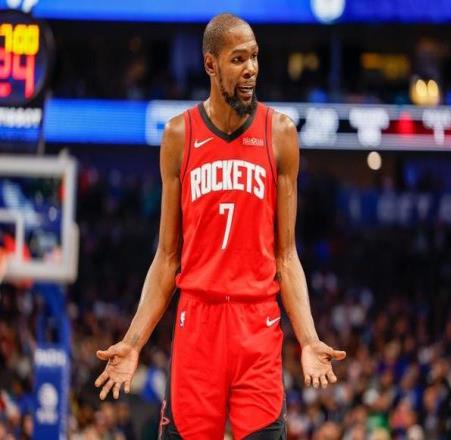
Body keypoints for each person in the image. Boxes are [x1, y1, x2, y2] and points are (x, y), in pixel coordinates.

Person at [95, 13, 346, 439]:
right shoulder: (180, 135)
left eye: (255, 57)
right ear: (210, 64)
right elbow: (167, 257)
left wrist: (308, 339)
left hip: (257, 326)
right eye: (238, 59)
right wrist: (133, 341)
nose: (251, 69)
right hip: (198, 324)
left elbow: (286, 256)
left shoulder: (280, 133)